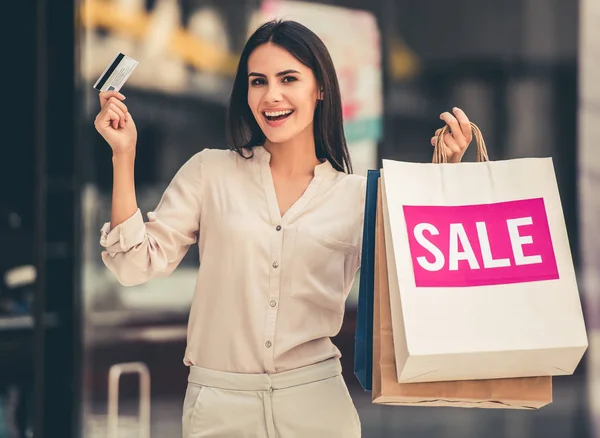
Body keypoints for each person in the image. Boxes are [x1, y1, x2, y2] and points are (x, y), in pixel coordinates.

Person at [95, 19, 472, 438]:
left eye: (288, 78)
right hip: (220, 407)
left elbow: (419, 282)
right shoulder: (210, 172)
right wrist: (123, 155)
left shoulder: (360, 196)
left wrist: (444, 177)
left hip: (316, 405)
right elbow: (132, 267)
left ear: (320, 88)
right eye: (258, 81)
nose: (271, 95)